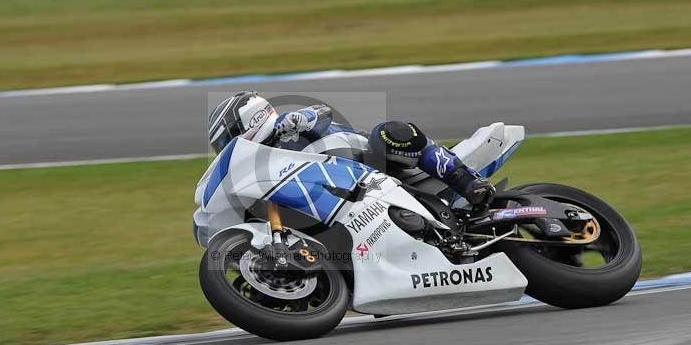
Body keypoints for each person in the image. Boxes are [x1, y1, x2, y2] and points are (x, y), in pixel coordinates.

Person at [208, 91, 495, 208]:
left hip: (374, 164)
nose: (226, 148)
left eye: (226, 140)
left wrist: (299, 119)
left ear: (250, 119)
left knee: (388, 133)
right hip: (347, 198)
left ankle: (467, 181)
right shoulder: (261, 166)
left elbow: (320, 112)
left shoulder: (289, 126)